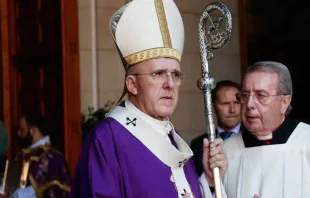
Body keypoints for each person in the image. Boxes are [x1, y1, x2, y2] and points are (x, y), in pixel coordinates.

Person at [71, 0, 227, 197]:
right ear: (132, 85)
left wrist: (209, 182)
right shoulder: (108, 139)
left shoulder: (171, 137)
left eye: (176, 75)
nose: (170, 84)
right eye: (158, 74)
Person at [222, 61, 310, 197]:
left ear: (285, 102)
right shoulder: (227, 150)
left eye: (261, 95)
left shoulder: (306, 141)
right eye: (245, 95)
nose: (249, 104)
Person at [1, 113, 71, 198]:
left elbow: (35, 191)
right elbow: (9, 184)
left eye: (22, 130)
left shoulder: (50, 157)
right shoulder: (23, 155)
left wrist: (17, 194)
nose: (18, 133)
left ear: (33, 130)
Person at [190, 80, 242, 176]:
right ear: (213, 107)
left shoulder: (253, 139)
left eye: (236, 103)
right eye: (226, 103)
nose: (232, 110)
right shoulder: (198, 145)